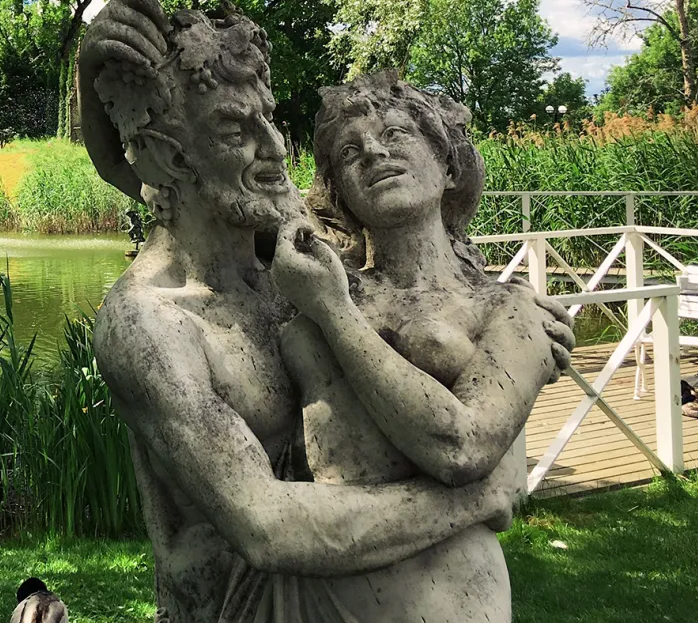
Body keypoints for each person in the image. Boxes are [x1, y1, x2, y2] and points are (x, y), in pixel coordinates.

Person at [78, 0, 574, 623]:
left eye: (269, 119)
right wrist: (476, 500)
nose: (275, 149)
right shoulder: (149, 323)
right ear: (174, 157)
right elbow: (265, 526)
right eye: (236, 130)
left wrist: (517, 317)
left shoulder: (285, 256)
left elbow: (150, 171)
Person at [241, 73, 562, 622]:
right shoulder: (317, 281)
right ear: (339, 193)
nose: (373, 151)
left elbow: (462, 448)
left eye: (395, 133)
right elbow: (190, 180)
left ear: (449, 165)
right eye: (349, 151)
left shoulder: (507, 309)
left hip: (444, 597)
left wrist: (335, 314)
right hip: (316, 583)